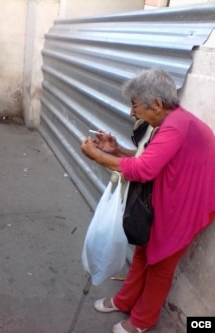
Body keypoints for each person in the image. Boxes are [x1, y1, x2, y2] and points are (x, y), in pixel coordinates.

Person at [81, 68, 215, 333]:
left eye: (135, 106)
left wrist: (97, 156)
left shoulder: (176, 125)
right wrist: (115, 149)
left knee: (161, 263)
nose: (132, 113)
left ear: (156, 104)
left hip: (191, 203)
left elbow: (143, 170)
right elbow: (147, 158)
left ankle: (143, 320)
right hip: (170, 196)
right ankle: (125, 300)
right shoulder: (168, 122)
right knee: (144, 249)